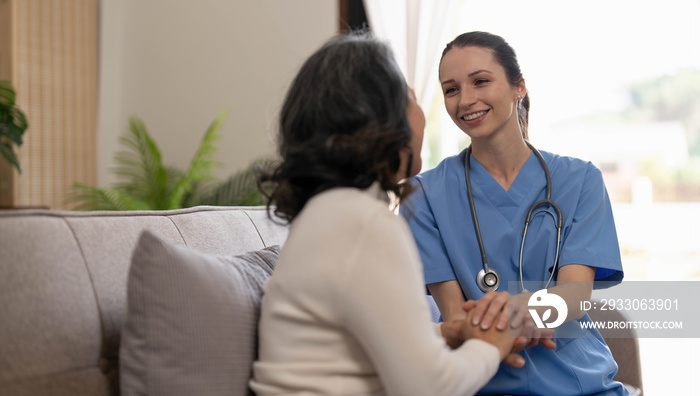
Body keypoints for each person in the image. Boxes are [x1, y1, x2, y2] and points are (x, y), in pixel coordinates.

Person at [249, 32, 528, 396]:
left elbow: (355, 340)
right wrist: (493, 342)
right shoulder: (366, 224)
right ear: (379, 120)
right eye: (411, 97)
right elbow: (432, 386)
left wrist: (452, 331)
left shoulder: (329, 214)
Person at [402, 31, 630, 395]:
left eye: (480, 81)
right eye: (451, 89)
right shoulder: (422, 195)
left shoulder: (580, 180)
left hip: (579, 383)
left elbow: (575, 294)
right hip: (481, 381)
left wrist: (522, 310)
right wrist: (507, 322)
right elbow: (456, 315)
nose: (466, 100)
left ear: (518, 87)